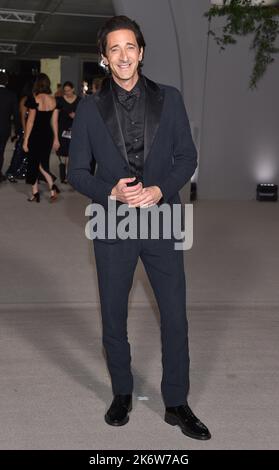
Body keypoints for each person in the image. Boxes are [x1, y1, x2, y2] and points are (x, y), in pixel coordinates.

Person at [68, 16, 211, 440]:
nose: (124, 55)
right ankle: (122, 393)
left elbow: (187, 157)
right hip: (112, 223)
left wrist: (159, 189)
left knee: (175, 316)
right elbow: (77, 172)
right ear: (105, 58)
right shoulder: (90, 108)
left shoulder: (171, 98)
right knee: (113, 316)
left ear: (141, 52)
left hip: (163, 220)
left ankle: (177, 403)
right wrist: (110, 191)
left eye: (130, 46)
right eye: (115, 49)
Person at [23, 73, 60, 202]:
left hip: (35, 135)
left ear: (37, 84)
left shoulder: (34, 99)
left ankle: (36, 192)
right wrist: (56, 138)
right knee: (42, 163)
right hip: (48, 135)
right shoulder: (54, 100)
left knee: (34, 163)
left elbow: (30, 122)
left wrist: (26, 139)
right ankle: (51, 188)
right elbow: (54, 122)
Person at [56, 81, 81, 183]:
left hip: (75, 130)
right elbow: (56, 117)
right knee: (63, 153)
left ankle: (68, 175)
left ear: (73, 89)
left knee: (72, 154)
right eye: (65, 91)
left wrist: (76, 116)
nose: (67, 93)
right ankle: (64, 175)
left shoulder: (79, 100)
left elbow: (84, 115)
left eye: (69, 90)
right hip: (62, 130)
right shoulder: (60, 101)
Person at [0, 71, 20, 182]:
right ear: (6, 81)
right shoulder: (11, 95)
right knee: (1, 150)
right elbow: (16, 115)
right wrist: (17, 131)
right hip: (4, 128)